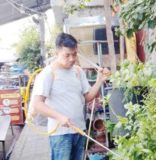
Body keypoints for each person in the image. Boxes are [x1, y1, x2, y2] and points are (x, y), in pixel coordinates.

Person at [31, 32, 110, 160]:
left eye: (74, 54)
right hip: (60, 134)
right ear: (57, 53)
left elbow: (86, 98)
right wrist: (59, 117)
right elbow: (37, 104)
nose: (72, 59)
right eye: (67, 55)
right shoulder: (48, 74)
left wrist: (100, 80)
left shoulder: (78, 71)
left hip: (79, 130)